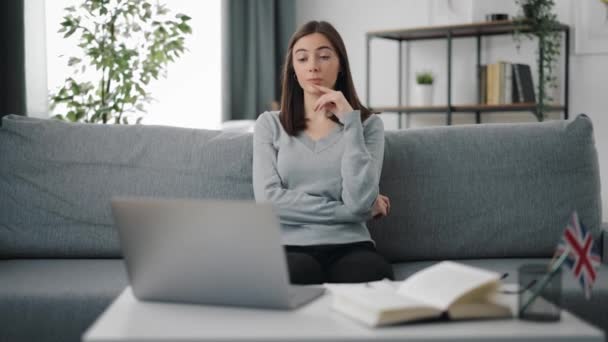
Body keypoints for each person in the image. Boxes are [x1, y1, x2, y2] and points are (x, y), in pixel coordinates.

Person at [252, 20, 393, 285]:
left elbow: (360, 198)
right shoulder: (269, 124)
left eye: (324, 56)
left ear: (340, 65)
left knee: (371, 276)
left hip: (352, 244)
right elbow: (269, 201)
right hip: (289, 245)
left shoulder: (368, 125)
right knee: (294, 274)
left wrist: (351, 123)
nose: (313, 66)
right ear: (293, 69)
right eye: (302, 58)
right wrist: (353, 213)